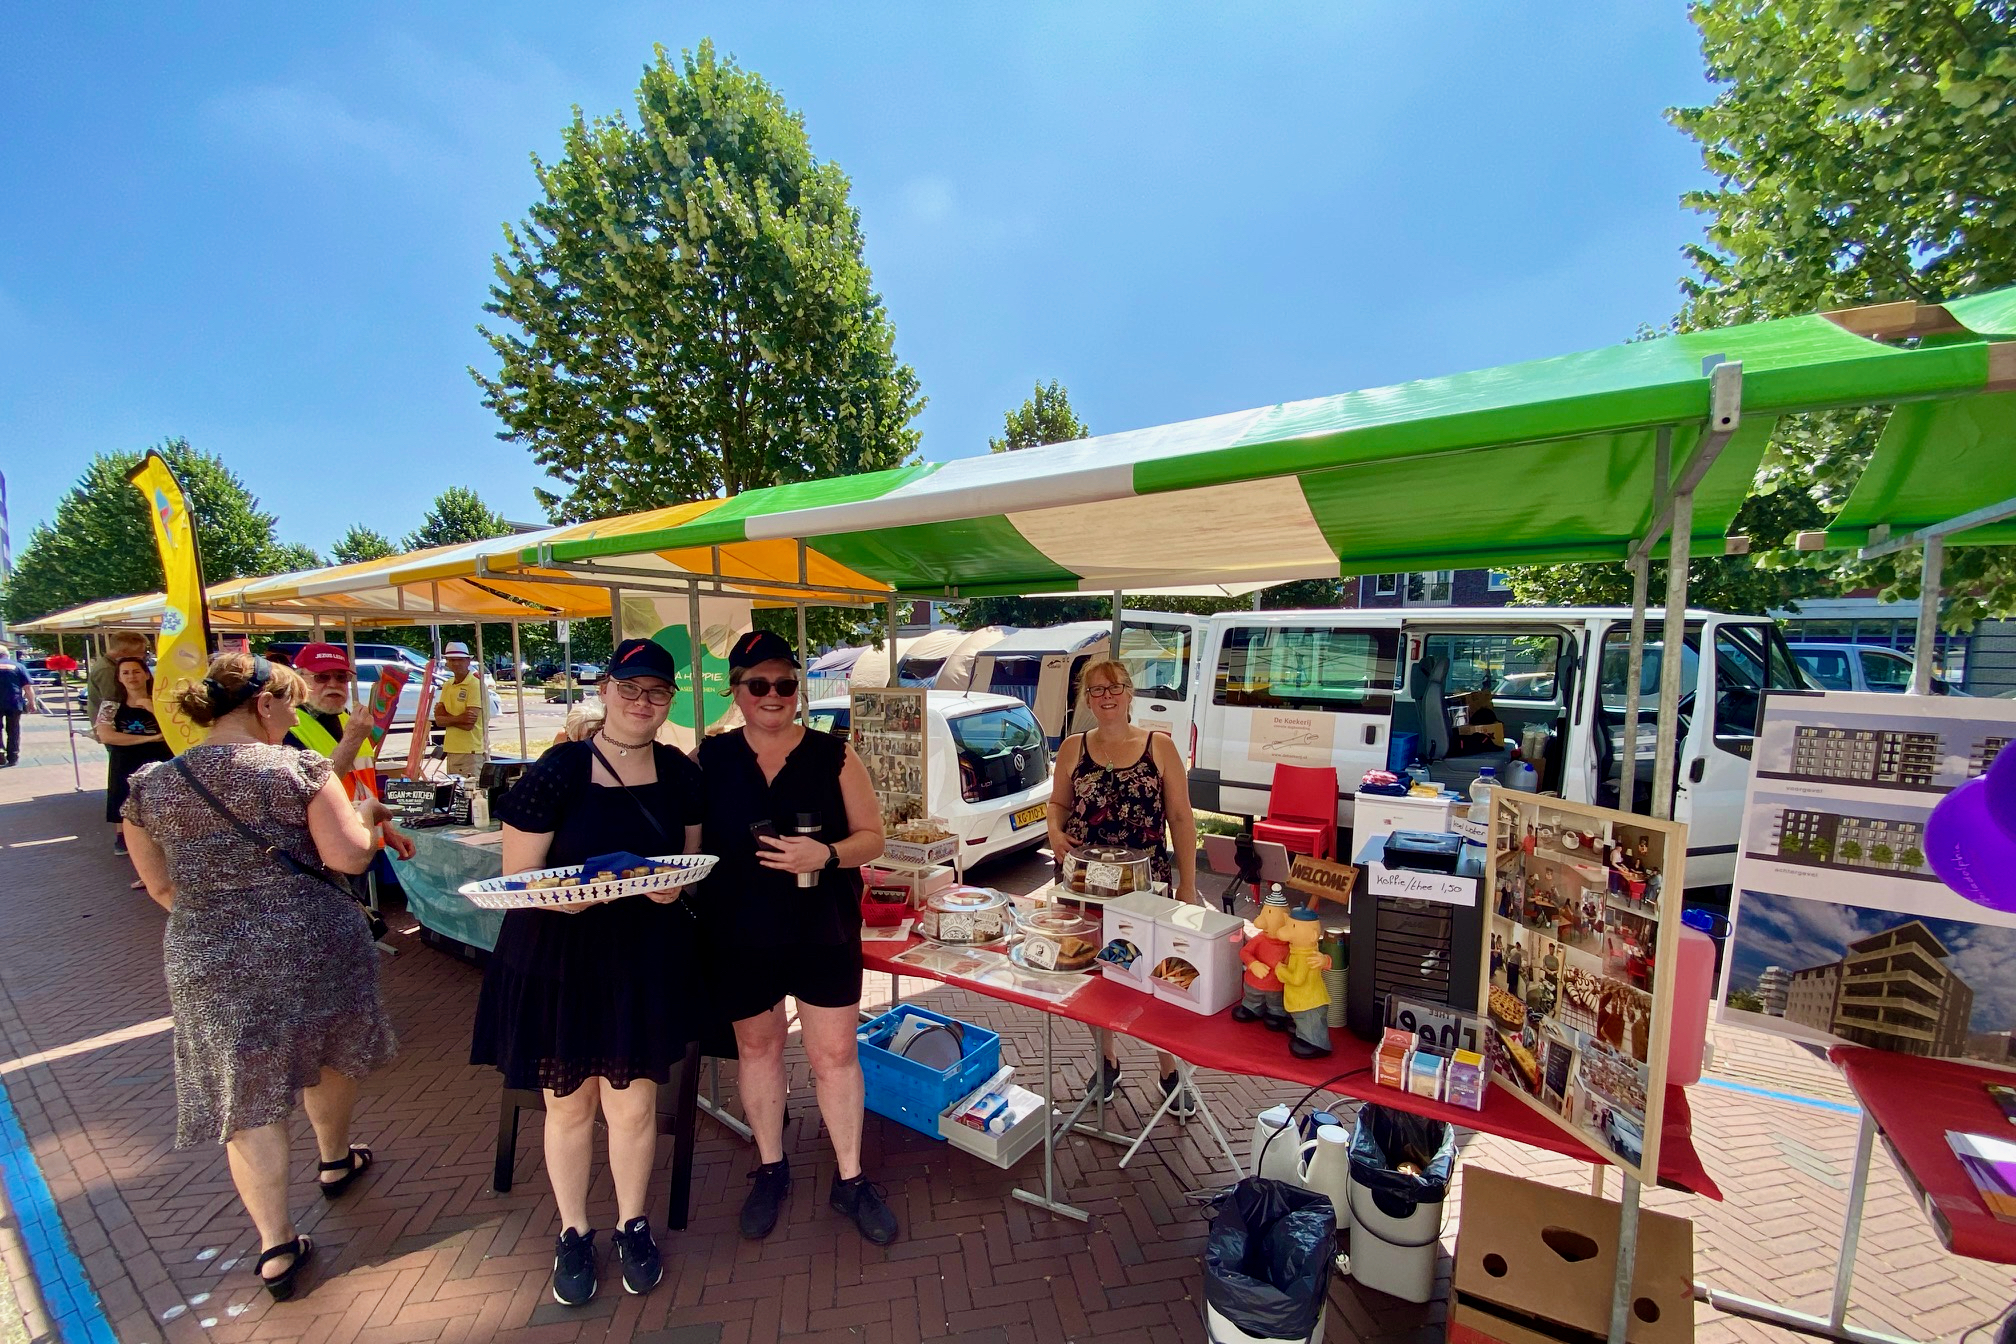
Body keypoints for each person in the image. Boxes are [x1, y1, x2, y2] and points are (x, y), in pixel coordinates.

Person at [121, 653, 399, 1302]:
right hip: (311, 944)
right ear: (264, 705)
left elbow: (159, 885)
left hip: (206, 956)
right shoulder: (296, 769)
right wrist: (370, 821)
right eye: (293, 706)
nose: (295, 717)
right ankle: (335, 1160)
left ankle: (276, 1246)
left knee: (245, 1095)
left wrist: (225, 922)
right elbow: (347, 855)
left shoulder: (153, 785)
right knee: (329, 1055)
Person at [471, 638, 708, 1307]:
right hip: (559, 959)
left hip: (641, 961)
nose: (643, 701)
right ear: (604, 689)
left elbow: (687, 868)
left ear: (670, 701)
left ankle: (634, 1224)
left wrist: (674, 890)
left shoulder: (681, 775)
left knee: (633, 1105)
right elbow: (517, 879)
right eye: (630, 687)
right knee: (568, 1105)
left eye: (657, 691)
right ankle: (574, 1231)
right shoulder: (560, 769)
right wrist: (560, 895)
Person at [699, 631, 896, 1246]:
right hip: (740, 930)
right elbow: (682, 841)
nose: (773, 694)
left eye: (785, 683)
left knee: (834, 1055)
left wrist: (828, 852)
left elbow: (873, 837)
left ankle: (851, 1178)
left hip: (823, 929)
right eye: (758, 684)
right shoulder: (710, 759)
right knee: (757, 1050)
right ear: (736, 690)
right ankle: (771, 1167)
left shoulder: (835, 755)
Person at [1045, 657, 1201, 1113]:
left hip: (1146, 888)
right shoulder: (1073, 748)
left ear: (1131, 693)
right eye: (1096, 690)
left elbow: (1181, 819)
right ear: (1087, 699)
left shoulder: (1160, 747)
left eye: (1115, 687)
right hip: (1084, 885)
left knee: (1159, 975)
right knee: (1096, 973)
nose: (1107, 696)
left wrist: (1188, 888)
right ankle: (1107, 1060)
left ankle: (1169, 1068)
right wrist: (1055, 833)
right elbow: (1057, 804)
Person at [282, 644, 413, 863]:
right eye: (322, 677)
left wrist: (386, 830)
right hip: (321, 851)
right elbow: (312, 791)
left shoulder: (348, 719)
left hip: (359, 842)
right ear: (300, 680)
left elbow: (364, 786)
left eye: (341, 677)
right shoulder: (289, 726)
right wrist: (352, 739)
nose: (333, 685)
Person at [96, 658, 173, 867]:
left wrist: (151, 707)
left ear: (146, 674)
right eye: (126, 673)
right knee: (124, 799)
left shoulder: (162, 702)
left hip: (160, 760)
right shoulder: (111, 706)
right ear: (119, 678)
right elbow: (106, 736)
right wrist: (148, 738)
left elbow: (176, 728)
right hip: (126, 761)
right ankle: (125, 839)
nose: (132, 677)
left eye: (136, 672)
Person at [433, 641, 487, 780]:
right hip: (452, 749)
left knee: (472, 794)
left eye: (460, 659)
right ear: (447, 662)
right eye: (452, 660)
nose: (456, 663)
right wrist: (458, 718)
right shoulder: (447, 685)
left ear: (468, 661)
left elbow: (469, 723)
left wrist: (447, 718)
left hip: (470, 750)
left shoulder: (475, 684)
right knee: (456, 794)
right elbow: (439, 720)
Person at [86, 631, 149, 727]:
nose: (142, 656)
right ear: (124, 652)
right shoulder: (107, 670)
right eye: (140, 652)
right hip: (113, 725)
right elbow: (112, 699)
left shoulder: (109, 665)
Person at [0, 648, 37, 768]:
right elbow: (27, 687)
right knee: (13, 729)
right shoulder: (18, 666)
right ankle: (13, 756)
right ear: (7, 655)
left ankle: (0, 752)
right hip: (14, 702)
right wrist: (32, 702)